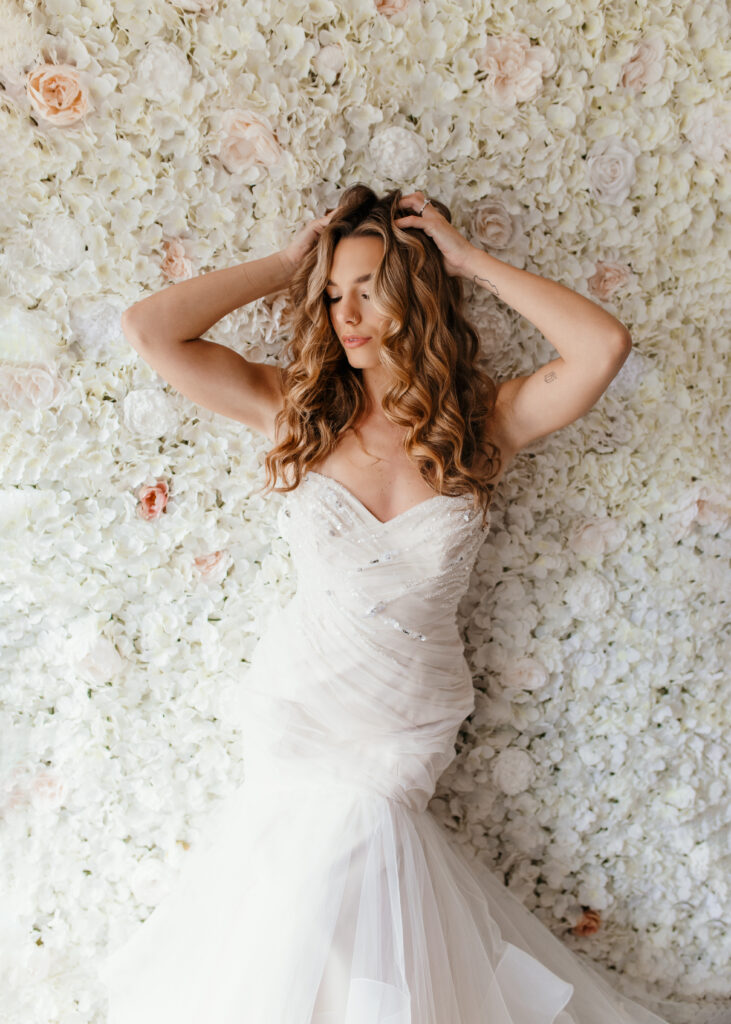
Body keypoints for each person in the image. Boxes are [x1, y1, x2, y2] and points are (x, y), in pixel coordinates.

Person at [99, 184, 670, 1023]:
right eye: (333, 293)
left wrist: (470, 260)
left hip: (403, 721)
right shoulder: (296, 410)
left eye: (367, 287)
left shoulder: (482, 424)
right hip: (302, 702)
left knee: (345, 881)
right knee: (309, 906)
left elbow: (600, 346)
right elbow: (150, 329)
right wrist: (289, 263)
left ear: (416, 291)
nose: (346, 312)